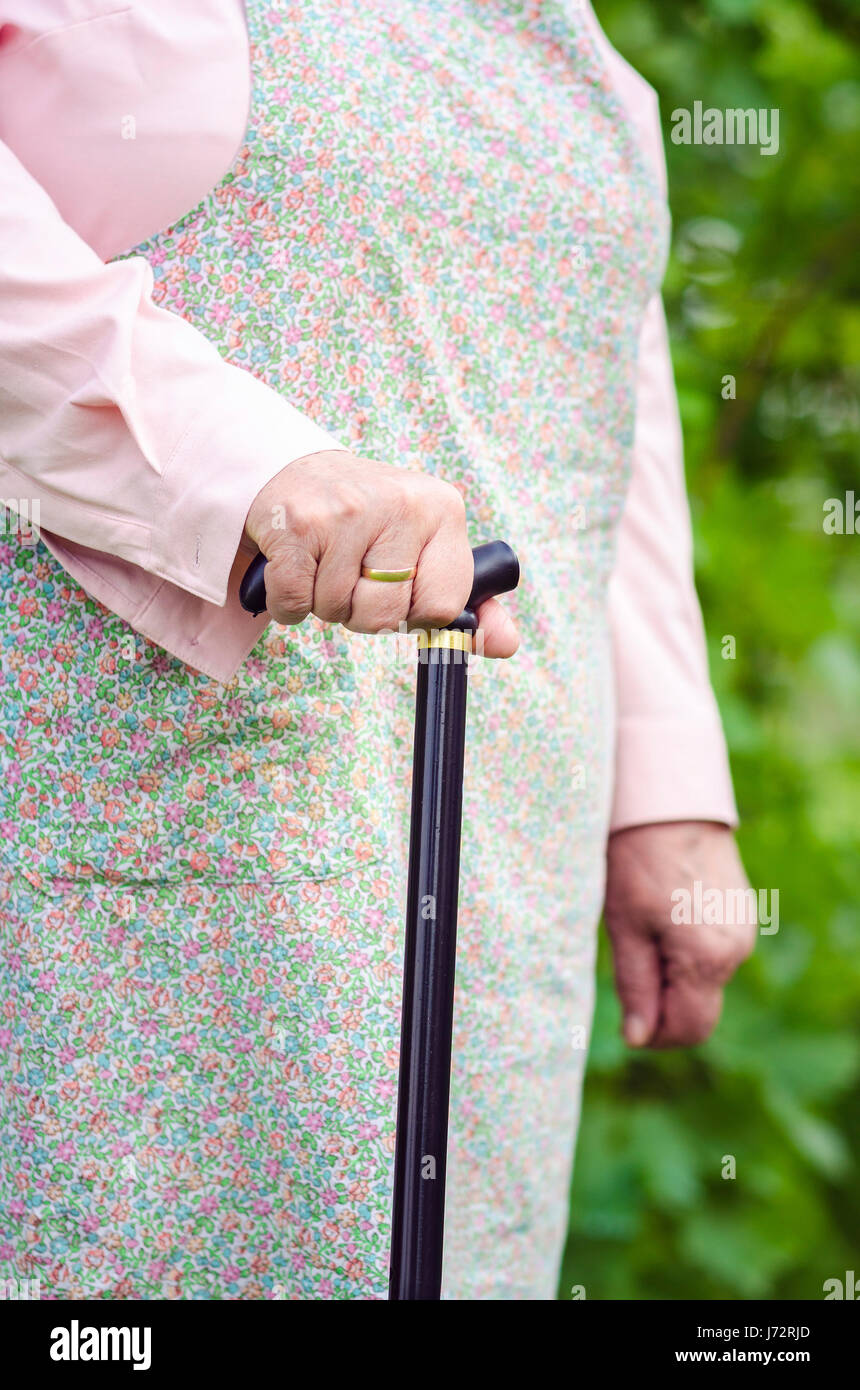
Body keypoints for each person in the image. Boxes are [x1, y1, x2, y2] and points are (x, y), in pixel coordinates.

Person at [0, 0, 754, 1300]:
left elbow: (594, 356)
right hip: (141, 823)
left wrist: (661, 770)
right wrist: (237, 464)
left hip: (506, 835)